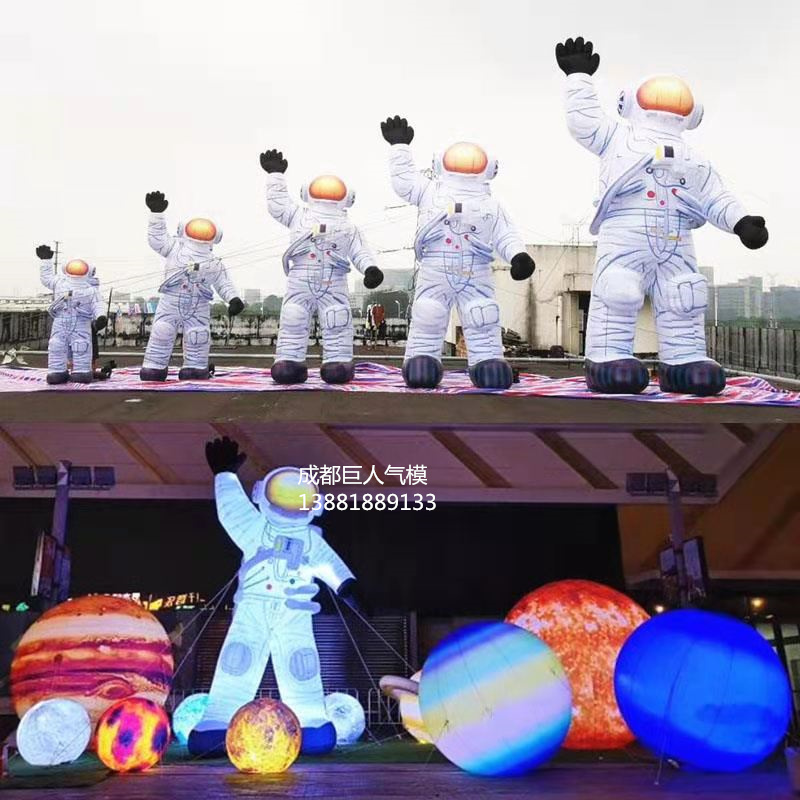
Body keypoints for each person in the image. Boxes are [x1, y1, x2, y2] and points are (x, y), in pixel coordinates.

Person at [557, 36, 768, 396]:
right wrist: (578, 79)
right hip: (625, 236)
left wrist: (741, 222)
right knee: (618, 292)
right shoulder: (618, 138)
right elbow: (585, 123)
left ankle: (684, 361)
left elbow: (715, 196)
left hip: (677, 239)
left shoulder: (693, 159)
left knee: (683, 296)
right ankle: (607, 358)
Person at [188, 437, 357, 757]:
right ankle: (219, 721)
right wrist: (225, 476)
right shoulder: (255, 529)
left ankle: (310, 721)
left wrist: (348, 587)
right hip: (252, 608)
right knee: (238, 660)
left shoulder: (311, 541)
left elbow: (332, 566)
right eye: (282, 494)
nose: (290, 502)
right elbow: (233, 512)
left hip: (295, 611)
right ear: (261, 495)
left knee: (300, 664)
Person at [380, 117, 536, 389]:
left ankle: (487, 362)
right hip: (436, 270)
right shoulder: (430, 191)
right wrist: (399, 148)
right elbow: (404, 182)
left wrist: (518, 256)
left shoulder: (490, 204)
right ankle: (421, 360)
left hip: (476, 271)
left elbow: (505, 234)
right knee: (429, 314)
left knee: (482, 315)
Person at [260, 149, 384, 384]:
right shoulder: (298, 216)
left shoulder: (347, 228)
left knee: (336, 320)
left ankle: (337, 363)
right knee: (294, 318)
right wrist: (275, 176)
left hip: (333, 279)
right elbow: (278, 205)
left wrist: (370, 268)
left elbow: (360, 251)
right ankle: (289, 362)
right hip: (302, 278)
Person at [140, 191, 244, 381]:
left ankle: (195, 368)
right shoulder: (174, 248)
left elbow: (223, 282)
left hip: (199, 304)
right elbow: (157, 239)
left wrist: (233, 298)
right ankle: (154, 367)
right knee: (162, 332)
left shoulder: (213, 263)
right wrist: (156, 215)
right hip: (171, 300)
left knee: (198, 336)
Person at [35, 245, 107, 384]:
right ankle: (57, 372)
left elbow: (98, 304)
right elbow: (46, 278)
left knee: (81, 347)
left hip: (81, 322)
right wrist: (46, 261)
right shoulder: (60, 283)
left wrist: (101, 317)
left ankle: (81, 372)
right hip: (61, 321)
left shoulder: (91, 290)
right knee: (56, 346)